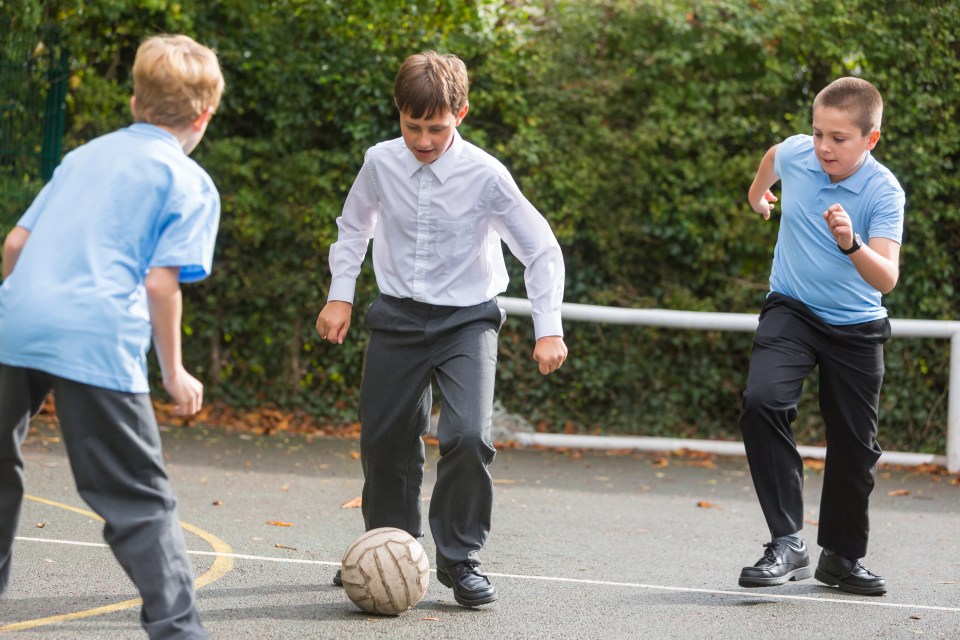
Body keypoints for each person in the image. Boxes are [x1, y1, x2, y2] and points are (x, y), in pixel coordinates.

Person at [316, 51, 567, 607]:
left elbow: (540, 249)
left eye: (437, 127)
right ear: (399, 114)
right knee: (385, 439)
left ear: (462, 114)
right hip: (397, 316)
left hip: (467, 320)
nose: (424, 139)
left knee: (469, 435)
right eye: (413, 126)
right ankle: (386, 546)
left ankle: (460, 559)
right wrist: (341, 296)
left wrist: (547, 327)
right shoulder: (380, 162)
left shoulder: (486, 174)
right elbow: (353, 227)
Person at [0, 34, 224, 638]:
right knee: (138, 496)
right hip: (93, 332)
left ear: (133, 101)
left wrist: (31, 315)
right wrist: (173, 372)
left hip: (12, 319)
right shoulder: (189, 181)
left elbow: (15, 246)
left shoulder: (83, 157)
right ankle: (179, 631)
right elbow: (159, 284)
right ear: (205, 115)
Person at [737, 77, 904, 596]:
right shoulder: (798, 154)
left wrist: (851, 243)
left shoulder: (883, 191)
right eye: (818, 134)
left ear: (870, 139)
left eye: (839, 138)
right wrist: (757, 194)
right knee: (762, 401)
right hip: (792, 309)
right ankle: (787, 540)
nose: (824, 147)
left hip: (857, 325)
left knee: (856, 446)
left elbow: (886, 278)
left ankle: (841, 559)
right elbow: (774, 156)